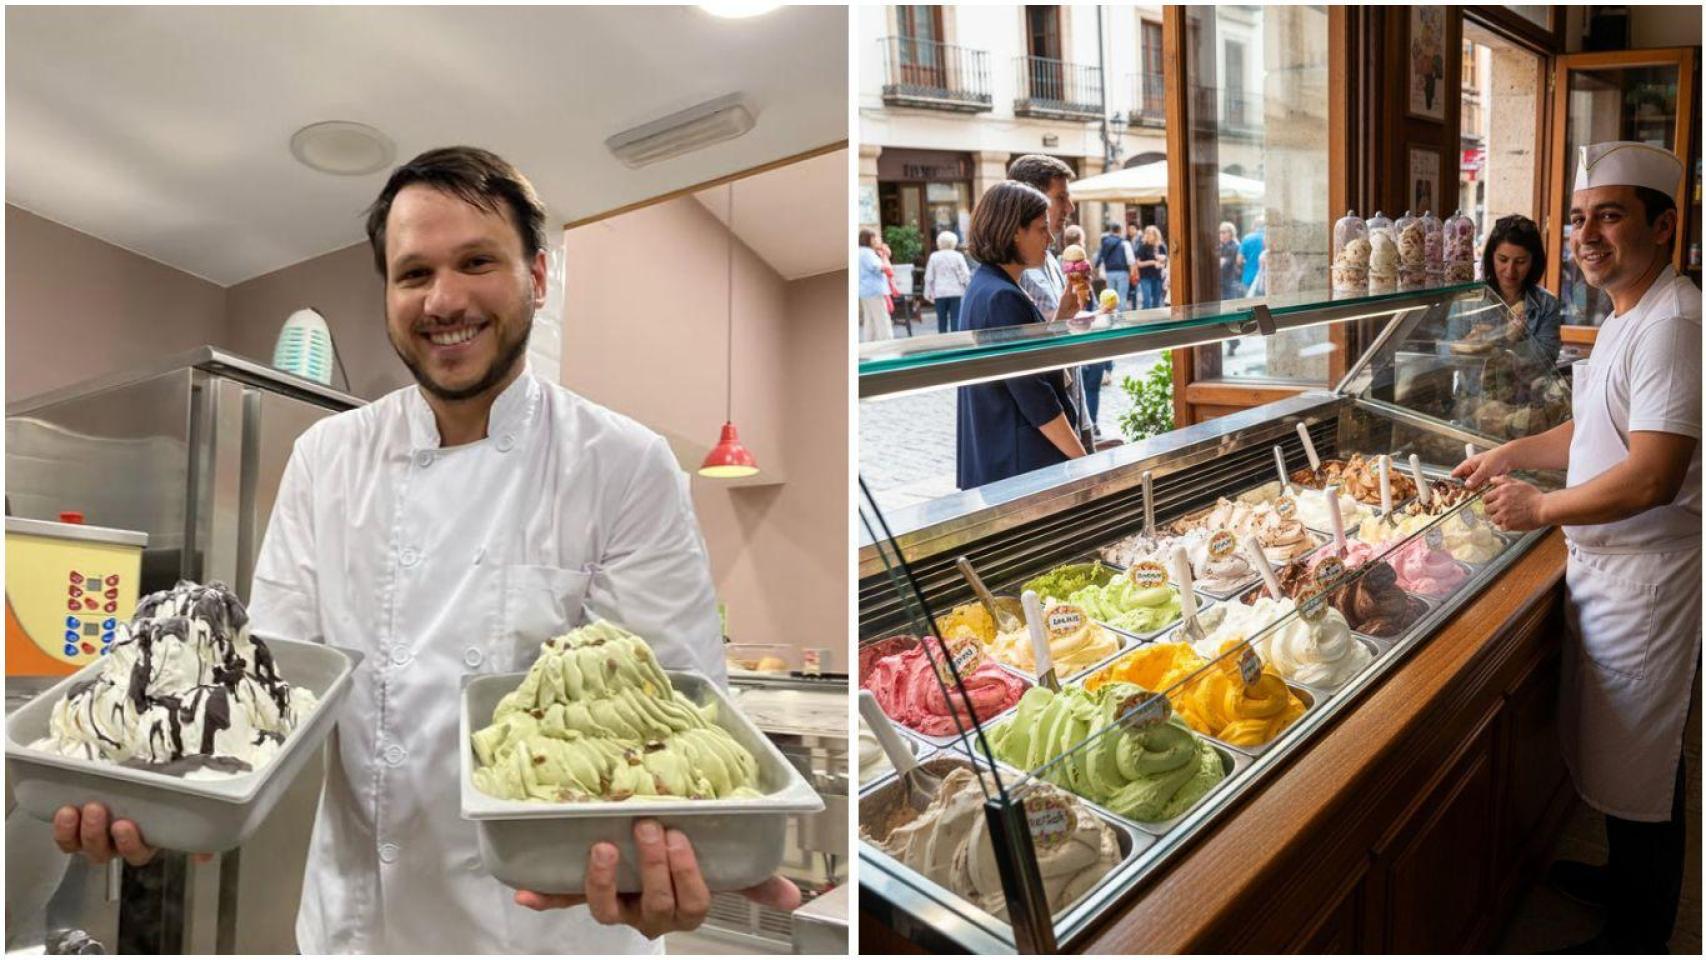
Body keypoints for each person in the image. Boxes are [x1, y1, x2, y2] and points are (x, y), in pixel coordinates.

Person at [49, 147, 801, 954]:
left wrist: (682, 854)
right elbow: (274, 696)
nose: (444, 300)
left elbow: (673, 712)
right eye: (413, 274)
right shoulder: (327, 460)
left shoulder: (623, 463)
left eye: (477, 261)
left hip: (557, 933)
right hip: (357, 929)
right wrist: (174, 796)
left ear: (538, 277)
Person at [1458, 141, 1699, 954]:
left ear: (1664, 227)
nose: (1586, 234)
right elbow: (1594, 430)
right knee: (1623, 763)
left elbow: (1652, 477)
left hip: (1651, 584)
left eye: (1611, 216)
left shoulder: (1675, 325)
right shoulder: (1631, 310)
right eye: (1580, 217)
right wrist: (1510, 454)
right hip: (1608, 571)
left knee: (1649, 772)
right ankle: (1623, 883)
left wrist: (1542, 505)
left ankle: (1641, 929)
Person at [955, 181, 1087, 489]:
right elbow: (1034, 396)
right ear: (1015, 231)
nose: (1051, 238)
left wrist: (1063, 317)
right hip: (1019, 468)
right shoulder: (1002, 296)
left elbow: (1029, 361)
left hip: (999, 460)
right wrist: (1083, 462)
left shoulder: (985, 285)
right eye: (1042, 229)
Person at [1479, 214, 1563, 366]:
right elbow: (1446, 356)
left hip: (1527, 390)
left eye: (1520, 262)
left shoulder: (1546, 304)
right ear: (1491, 257)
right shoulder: (1469, 300)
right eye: (1503, 260)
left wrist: (1510, 341)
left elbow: (1548, 358)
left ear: (1533, 262)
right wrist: (1468, 345)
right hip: (1473, 390)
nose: (1510, 271)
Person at [922, 229, 971, 333]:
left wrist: (927, 293)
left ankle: (943, 340)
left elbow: (929, 276)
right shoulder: (958, 256)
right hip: (956, 291)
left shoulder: (934, 256)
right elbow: (965, 274)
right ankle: (956, 341)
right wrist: (968, 288)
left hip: (940, 292)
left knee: (941, 319)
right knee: (956, 318)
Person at [858, 227, 892, 341]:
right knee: (882, 319)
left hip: (864, 291)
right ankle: (887, 344)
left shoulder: (860, 252)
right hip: (874, 290)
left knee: (870, 320)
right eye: (876, 237)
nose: (878, 240)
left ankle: (869, 344)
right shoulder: (868, 253)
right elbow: (880, 268)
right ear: (870, 239)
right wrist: (885, 256)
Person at [1093, 219, 1135, 309]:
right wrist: (1132, 272)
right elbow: (1130, 259)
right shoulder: (1124, 243)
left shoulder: (1105, 243)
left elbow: (1100, 256)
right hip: (1122, 272)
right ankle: (1121, 318)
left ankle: (1111, 317)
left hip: (1109, 272)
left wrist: (1096, 268)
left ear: (1111, 231)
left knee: (1110, 297)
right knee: (1122, 296)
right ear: (1120, 230)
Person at [1135, 224, 1167, 309]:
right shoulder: (1142, 247)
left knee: (1157, 300)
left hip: (1158, 276)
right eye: (1147, 233)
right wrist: (1152, 262)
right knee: (1147, 300)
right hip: (1145, 276)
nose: (1148, 235)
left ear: (1156, 235)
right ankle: (1146, 320)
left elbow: (1166, 262)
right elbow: (1138, 264)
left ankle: (1156, 320)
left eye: (1150, 233)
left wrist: (1162, 261)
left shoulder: (1161, 246)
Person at [1217, 220, 1244, 300]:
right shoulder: (1220, 246)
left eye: (1224, 232)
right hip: (1222, 285)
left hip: (1231, 284)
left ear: (1231, 233)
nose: (1221, 235)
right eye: (1220, 232)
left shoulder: (1234, 246)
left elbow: (1225, 264)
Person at [1240, 216, 1265, 293]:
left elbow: (1239, 260)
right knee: (1265, 304)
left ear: (1253, 226)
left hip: (1248, 277)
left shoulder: (1247, 238)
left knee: (1250, 303)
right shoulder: (1268, 237)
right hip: (1264, 279)